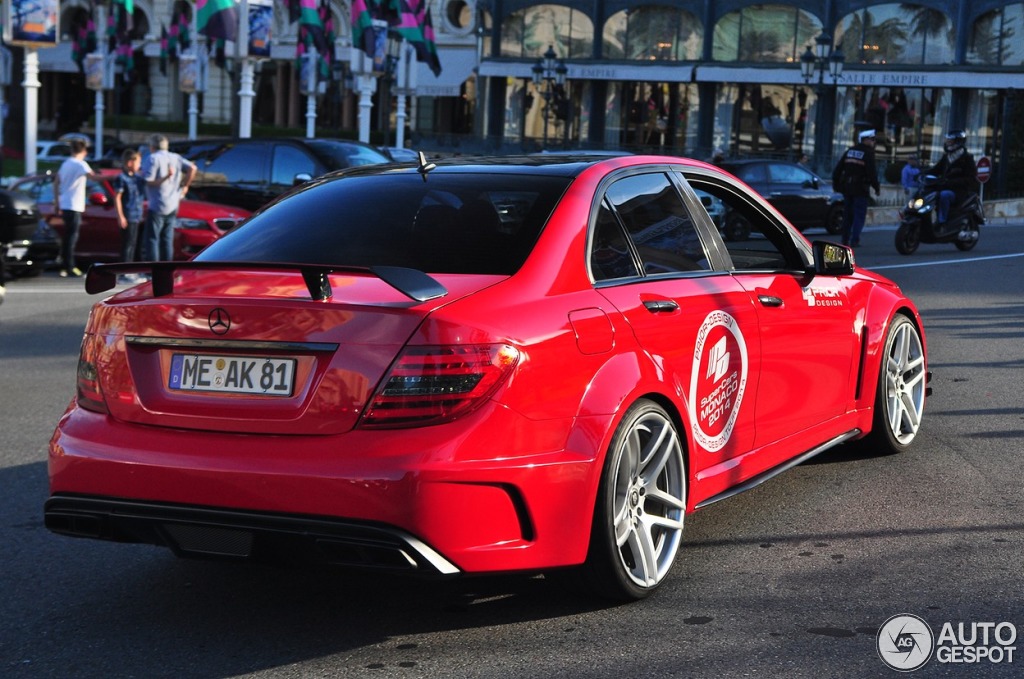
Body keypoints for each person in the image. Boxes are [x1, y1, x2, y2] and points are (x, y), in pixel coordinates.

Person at [140, 134, 196, 261]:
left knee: (152, 238)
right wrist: (185, 186)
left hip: (157, 203)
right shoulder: (175, 157)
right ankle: (167, 269)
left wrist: (163, 178)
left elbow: (148, 181)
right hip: (173, 202)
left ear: (152, 146)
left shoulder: (152, 158)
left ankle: (152, 270)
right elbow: (192, 168)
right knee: (167, 238)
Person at [53, 138, 103, 277]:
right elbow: (93, 178)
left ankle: (63, 265)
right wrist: (112, 177)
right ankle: (70, 266)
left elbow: (56, 182)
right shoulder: (81, 164)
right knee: (72, 237)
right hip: (74, 205)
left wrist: (57, 202)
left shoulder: (66, 163)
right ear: (84, 151)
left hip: (65, 204)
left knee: (67, 237)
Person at [832, 128, 881, 247]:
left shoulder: (850, 151)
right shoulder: (868, 153)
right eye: (872, 139)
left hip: (847, 188)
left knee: (848, 215)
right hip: (860, 189)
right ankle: (854, 240)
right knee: (859, 215)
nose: (873, 142)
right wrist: (876, 187)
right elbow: (872, 173)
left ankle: (845, 239)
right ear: (866, 140)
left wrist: (836, 185)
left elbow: (838, 169)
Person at [923, 130, 978, 224]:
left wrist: (951, 182)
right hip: (943, 187)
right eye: (947, 140)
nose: (948, 143)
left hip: (958, 192)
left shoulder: (967, 158)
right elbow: (936, 170)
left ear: (958, 142)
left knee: (944, 195)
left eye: (950, 140)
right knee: (928, 194)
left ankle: (942, 221)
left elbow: (970, 178)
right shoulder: (947, 157)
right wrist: (921, 174)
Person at [113, 148, 148, 264]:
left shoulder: (138, 178)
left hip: (137, 215)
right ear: (130, 163)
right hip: (128, 214)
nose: (139, 165)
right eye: (138, 162)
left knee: (135, 244)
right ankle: (124, 270)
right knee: (128, 244)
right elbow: (117, 197)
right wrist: (121, 216)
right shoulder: (122, 178)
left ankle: (133, 267)